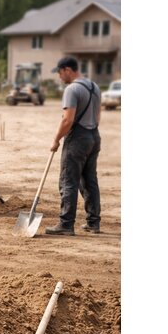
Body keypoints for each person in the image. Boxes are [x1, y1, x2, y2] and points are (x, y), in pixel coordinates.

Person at [46, 56, 101, 235]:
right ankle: (93, 223)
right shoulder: (95, 87)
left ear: (67, 70)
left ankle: (66, 224)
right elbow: (98, 116)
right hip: (93, 136)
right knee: (90, 180)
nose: (60, 77)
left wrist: (56, 139)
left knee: (68, 181)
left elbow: (67, 119)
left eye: (60, 73)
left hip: (77, 139)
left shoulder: (72, 89)